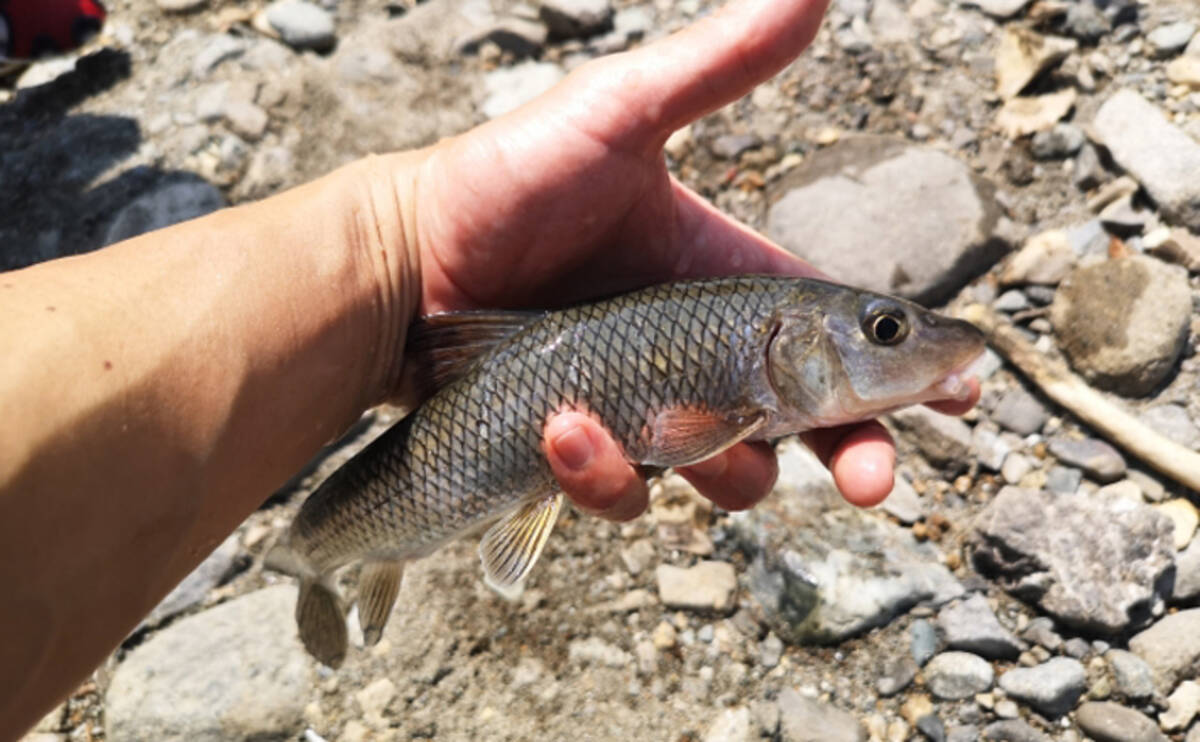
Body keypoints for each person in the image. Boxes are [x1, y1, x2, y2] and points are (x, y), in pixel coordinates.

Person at [0, 0, 979, 736]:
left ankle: (327, 557)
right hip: (416, 459)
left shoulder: (751, 369)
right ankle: (316, 561)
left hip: (446, 417)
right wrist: (400, 254)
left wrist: (401, 249)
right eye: (886, 331)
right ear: (786, 350)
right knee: (526, 481)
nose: (908, 343)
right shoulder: (740, 381)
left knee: (552, 476)